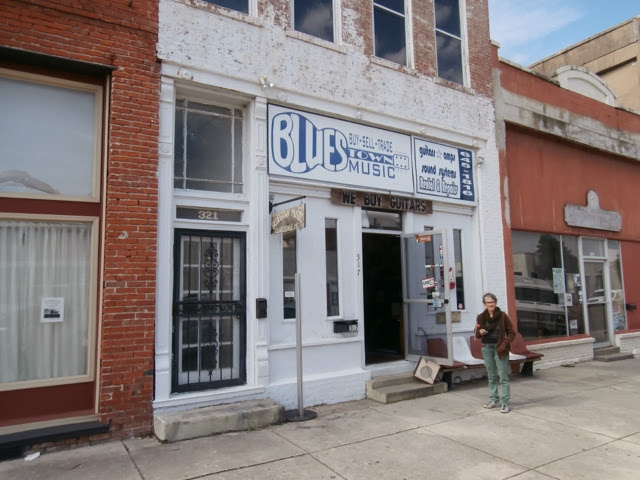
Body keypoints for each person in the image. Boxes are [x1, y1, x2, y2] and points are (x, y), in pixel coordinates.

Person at [475, 293, 515, 413]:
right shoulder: (481, 317)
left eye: (492, 302)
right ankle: (494, 399)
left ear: (495, 302)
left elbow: (512, 333)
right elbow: (477, 334)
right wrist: (480, 332)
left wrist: (504, 344)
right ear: (484, 304)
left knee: (503, 376)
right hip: (487, 348)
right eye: (488, 302)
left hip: (500, 348)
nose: (490, 304)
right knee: (491, 376)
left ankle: (505, 402)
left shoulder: (503, 316)